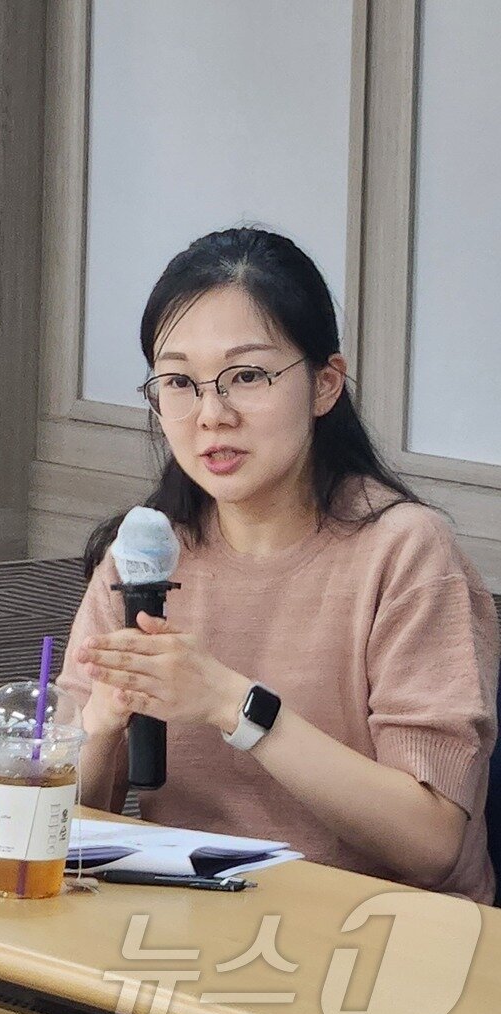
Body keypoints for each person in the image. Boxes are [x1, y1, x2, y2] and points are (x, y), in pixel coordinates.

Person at [57, 227, 499, 903]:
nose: (211, 415)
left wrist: (232, 705)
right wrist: (101, 729)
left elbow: (431, 842)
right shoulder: (144, 553)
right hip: (188, 928)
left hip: (381, 947)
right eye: (179, 382)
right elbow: (66, 834)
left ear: (325, 384)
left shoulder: (406, 551)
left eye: (247, 377)